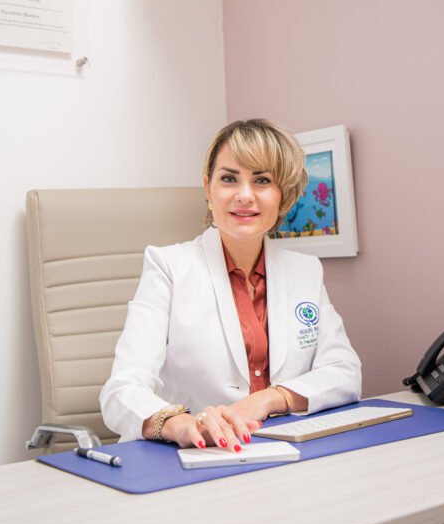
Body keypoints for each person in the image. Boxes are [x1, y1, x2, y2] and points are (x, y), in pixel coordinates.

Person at [100, 118, 361, 451]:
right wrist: (182, 424)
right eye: (229, 179)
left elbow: (345, 371)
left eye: (262, 180)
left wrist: (269, 399)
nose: (245, 195)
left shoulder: (304, 270)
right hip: (194, 456)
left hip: (283, 450)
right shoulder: (168, 267)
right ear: (209, 188)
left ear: (282, 195)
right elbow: (122, 390)